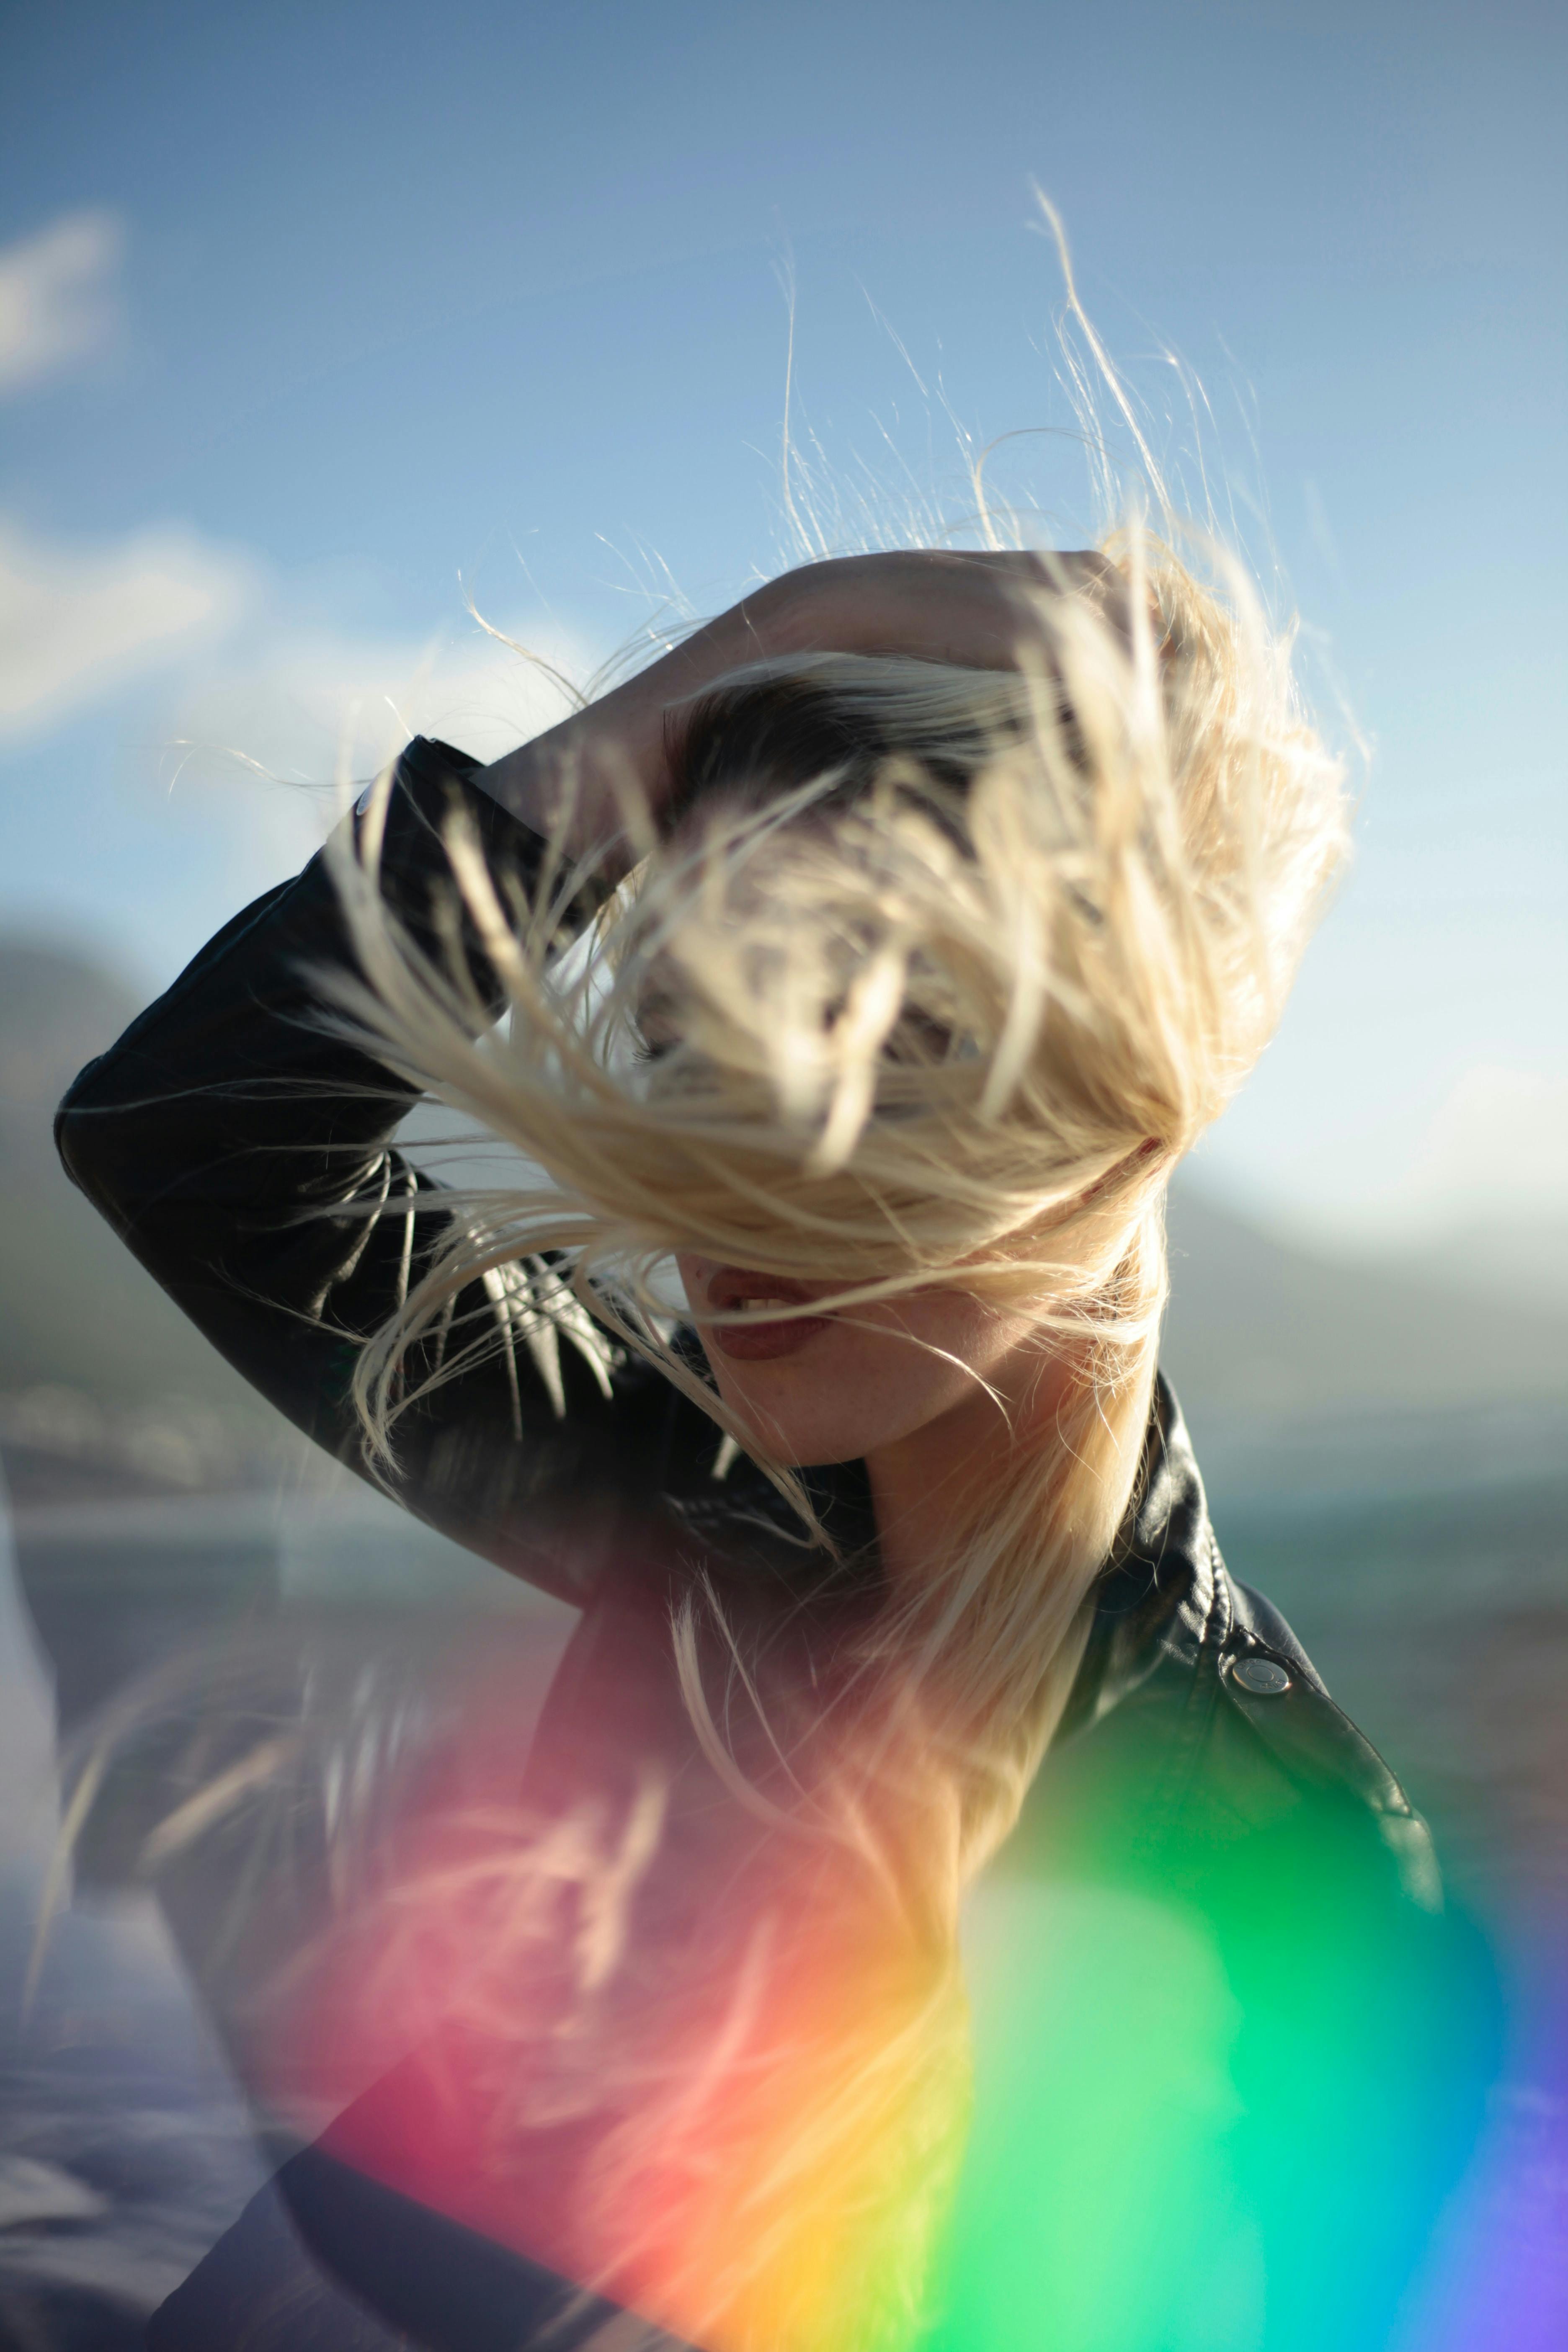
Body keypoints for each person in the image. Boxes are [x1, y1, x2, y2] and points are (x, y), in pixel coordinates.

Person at [57, 544, 1493, 2352]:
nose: (737, 1176)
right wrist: (766, 646)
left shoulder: (1286, 1872)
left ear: (1134, 1079)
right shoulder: (704, 1506)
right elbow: (193, 1138)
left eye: (888, 1035)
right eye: (680, 1042)